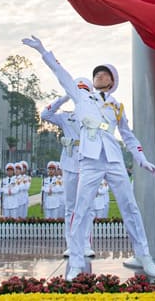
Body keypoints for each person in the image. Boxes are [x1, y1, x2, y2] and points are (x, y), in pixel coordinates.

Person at [23, 35, 155, 279]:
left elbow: (128, 136)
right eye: (97, 73)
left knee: (130, 207)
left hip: (114, 160)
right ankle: (76, 261)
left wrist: (141, 159)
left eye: (104, 74)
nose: (99, 76)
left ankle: (144, 254)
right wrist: (43, 51)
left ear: (112, 82)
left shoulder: (117, 106)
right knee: (80, 209)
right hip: (89, 161)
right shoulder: (82, 97)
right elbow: (61, 73)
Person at [40, 80, 96, 257]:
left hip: (88, 163)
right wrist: (63, 97)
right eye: (77, 91)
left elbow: (106, 129)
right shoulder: (66, 116)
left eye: (83, 91)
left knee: (87, 206)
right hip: (70, 163)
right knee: (70, 206)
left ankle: (86, 243)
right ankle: (72, 244)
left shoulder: (95, 114)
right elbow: (45, 115)